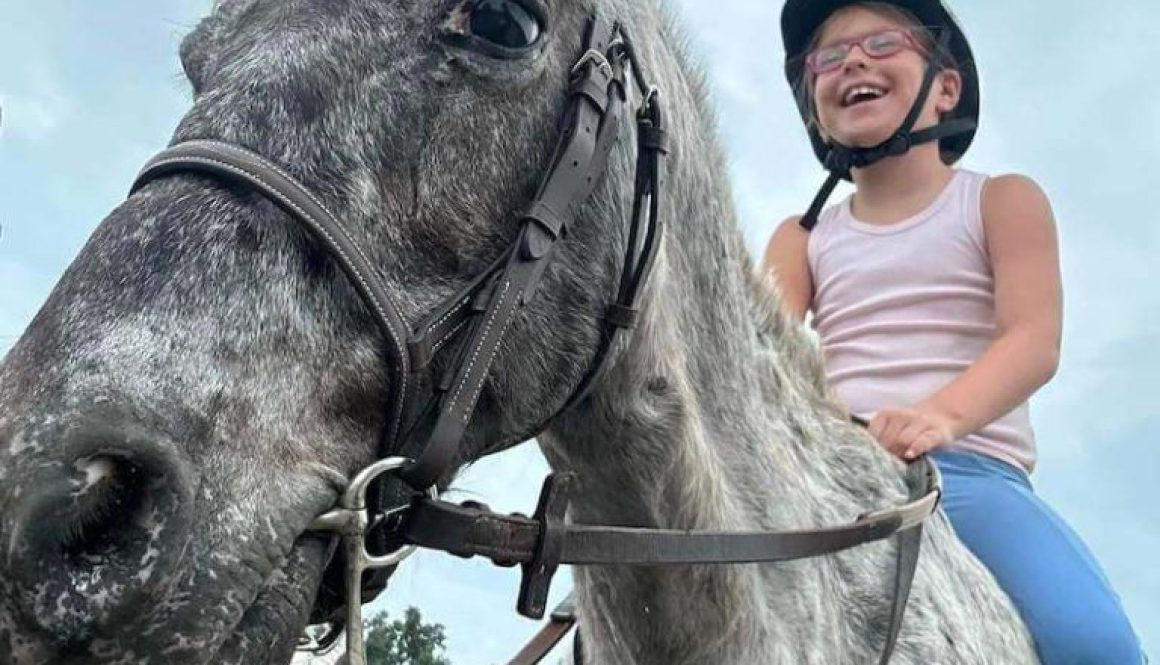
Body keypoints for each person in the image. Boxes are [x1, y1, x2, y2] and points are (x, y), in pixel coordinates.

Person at [763, 1, 1146, 663]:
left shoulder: (1001, 200)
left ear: (945, 88)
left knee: (1094, 643)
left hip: (967, 471)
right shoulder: (802, 237)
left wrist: (937, 417)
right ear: (815, 108)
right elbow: (761, 359)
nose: (854, 61)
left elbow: (1032, 339)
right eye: (830, 57)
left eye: (883, 44)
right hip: (831, 471)